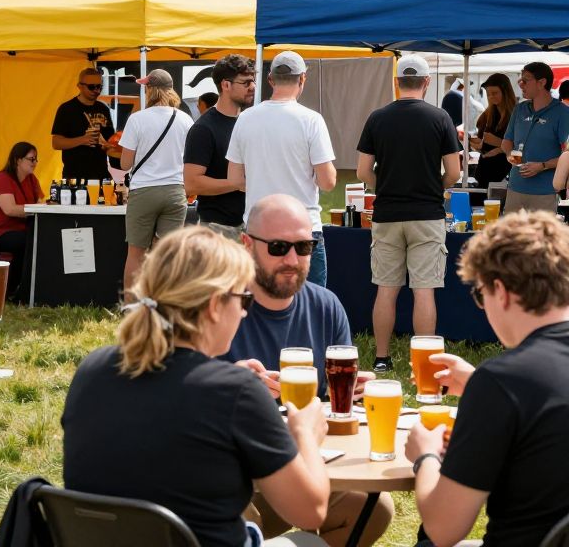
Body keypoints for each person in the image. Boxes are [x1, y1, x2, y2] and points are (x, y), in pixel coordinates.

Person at [63, 226, 331, 547]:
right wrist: (305, 433)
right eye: (244, 299)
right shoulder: (235, 392)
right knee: (312, 543)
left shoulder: (92, 370)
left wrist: (226, 381)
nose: (244, 313)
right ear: (215, 305)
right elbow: (311, 512)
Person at [227, 194, 393, 547]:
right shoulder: (220, 308)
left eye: (304, 247)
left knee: (372, 509)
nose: (292, 260)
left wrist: (352, 396)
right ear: (246, 244)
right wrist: (231, 388)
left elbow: (331, 408)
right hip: (234, 474)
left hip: (298, 464)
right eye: (278, 247)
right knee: (231, 516)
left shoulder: (325, 305)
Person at [404, 211, 569, 547]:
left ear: (501, 291)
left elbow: (444, 528)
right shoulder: (504, 385)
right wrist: (478, 384)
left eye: (481, 295)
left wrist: (425, 455)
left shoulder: (503, 381)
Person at [356, 54, 461, 373]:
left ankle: (381, 358)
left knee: (386, 290)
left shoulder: (377, 118)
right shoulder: (440, 117)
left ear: (396, 82)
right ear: (427, 82)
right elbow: (454, 173)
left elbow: (363, 172)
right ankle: (424, 364)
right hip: (427, 214)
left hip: (387, 214)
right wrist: (433, 187)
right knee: (424, 290)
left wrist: (386, 186)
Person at [227, 51, 337, 286]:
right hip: (303, 228)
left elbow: (234, 178)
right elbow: (328, 182)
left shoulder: (245, 119)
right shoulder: (311, 120)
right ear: (302, 79)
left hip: (259, 228)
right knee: (310, 302)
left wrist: (262, 181)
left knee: (260, 300)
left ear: (270, 79)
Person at [118, 69, 193, 288]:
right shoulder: (186, 119)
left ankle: (132, 304)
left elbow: (125, 164)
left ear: (150, 90)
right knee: (168, 254)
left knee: (136, 253)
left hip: (144, 190)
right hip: (175, 191)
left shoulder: (137, 119)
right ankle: (165, 302)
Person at [183, 54, 254, 232]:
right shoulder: (203, 128)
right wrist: (237, 184)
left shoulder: (250, 121)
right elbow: (191, 183)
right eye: (246, 82)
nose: (252, 87)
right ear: (226, 85)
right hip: (219, 229)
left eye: (253, 81)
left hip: (252, 227)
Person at [500, 61, 569, 212]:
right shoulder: (519, 109)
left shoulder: (562, 113)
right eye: (520, 80)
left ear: (542, 82)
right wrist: (510, 154)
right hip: (515, 188)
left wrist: (542, 166)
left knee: (541, 229)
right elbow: (506, 142)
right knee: (510, 228)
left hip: (545, 192)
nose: (521, 85)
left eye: (525, 80)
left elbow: (567, 155)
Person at [0, 141, 43, 299]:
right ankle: (13, 289)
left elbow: (40, 203)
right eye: (31, 159)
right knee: (28, 242)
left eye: (36, 159)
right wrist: (36, 209)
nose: (35, 163)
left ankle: (32, 288)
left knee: (40, 239)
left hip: (24, 229)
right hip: (1, 233)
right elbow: (9, 209)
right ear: (18, 160)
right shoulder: (2, 179)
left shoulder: (32, 180)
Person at [50, 67, 114, 181]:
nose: (96, 90)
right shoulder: (66, 109)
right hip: (74, 177)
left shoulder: (103, 108)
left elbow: (110, 140)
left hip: (101, 175)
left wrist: (108, 145)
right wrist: (82, 140)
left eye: (99, 87)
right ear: (79, 86)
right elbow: (56, 143)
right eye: (91, 87)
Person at [469, 73, 515, 189]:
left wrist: (499, 144)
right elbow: (483, 144)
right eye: (488, 94)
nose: (490, 97)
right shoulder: (487, 115)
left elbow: (521, 148)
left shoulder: (516, 115)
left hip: (505, 175)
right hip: (484, 173)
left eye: (494, 93)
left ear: (505, 92)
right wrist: (477, 144)